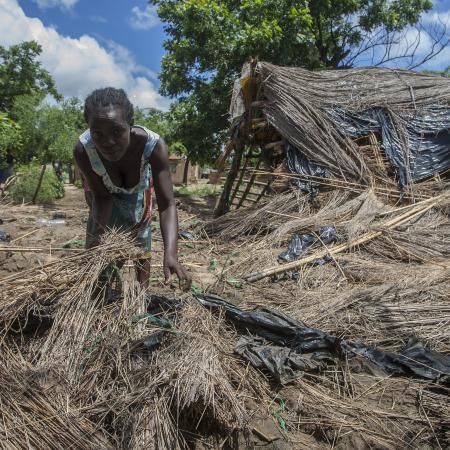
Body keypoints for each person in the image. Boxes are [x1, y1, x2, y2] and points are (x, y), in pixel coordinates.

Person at [74, 87, 191, 290]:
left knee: (141, 247)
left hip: (140, 197)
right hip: (104, 198)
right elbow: (102, 198)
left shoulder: (152, 146)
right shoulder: (84, 150)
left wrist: (171, 253)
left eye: (117, 131)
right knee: (103, 260)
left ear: (130, 124)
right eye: (97, 134)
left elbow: (167, 204)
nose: (108, 142)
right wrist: (96, 245)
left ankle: (140, 300)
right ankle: (101, 294)